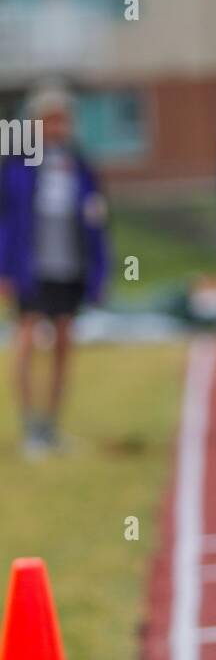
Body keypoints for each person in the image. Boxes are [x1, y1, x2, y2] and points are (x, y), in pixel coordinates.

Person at [0, 83, 109, 457]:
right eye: (48, 121)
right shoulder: (16, 163)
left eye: (62, 121)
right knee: (27, 341)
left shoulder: (80, 165)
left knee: (64, 342)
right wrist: (5, 268)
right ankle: (31, 428)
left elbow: (95, 221)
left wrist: (99, 272)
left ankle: (52, 425)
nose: (56, 128)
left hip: (69, 266)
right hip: (29, 267)